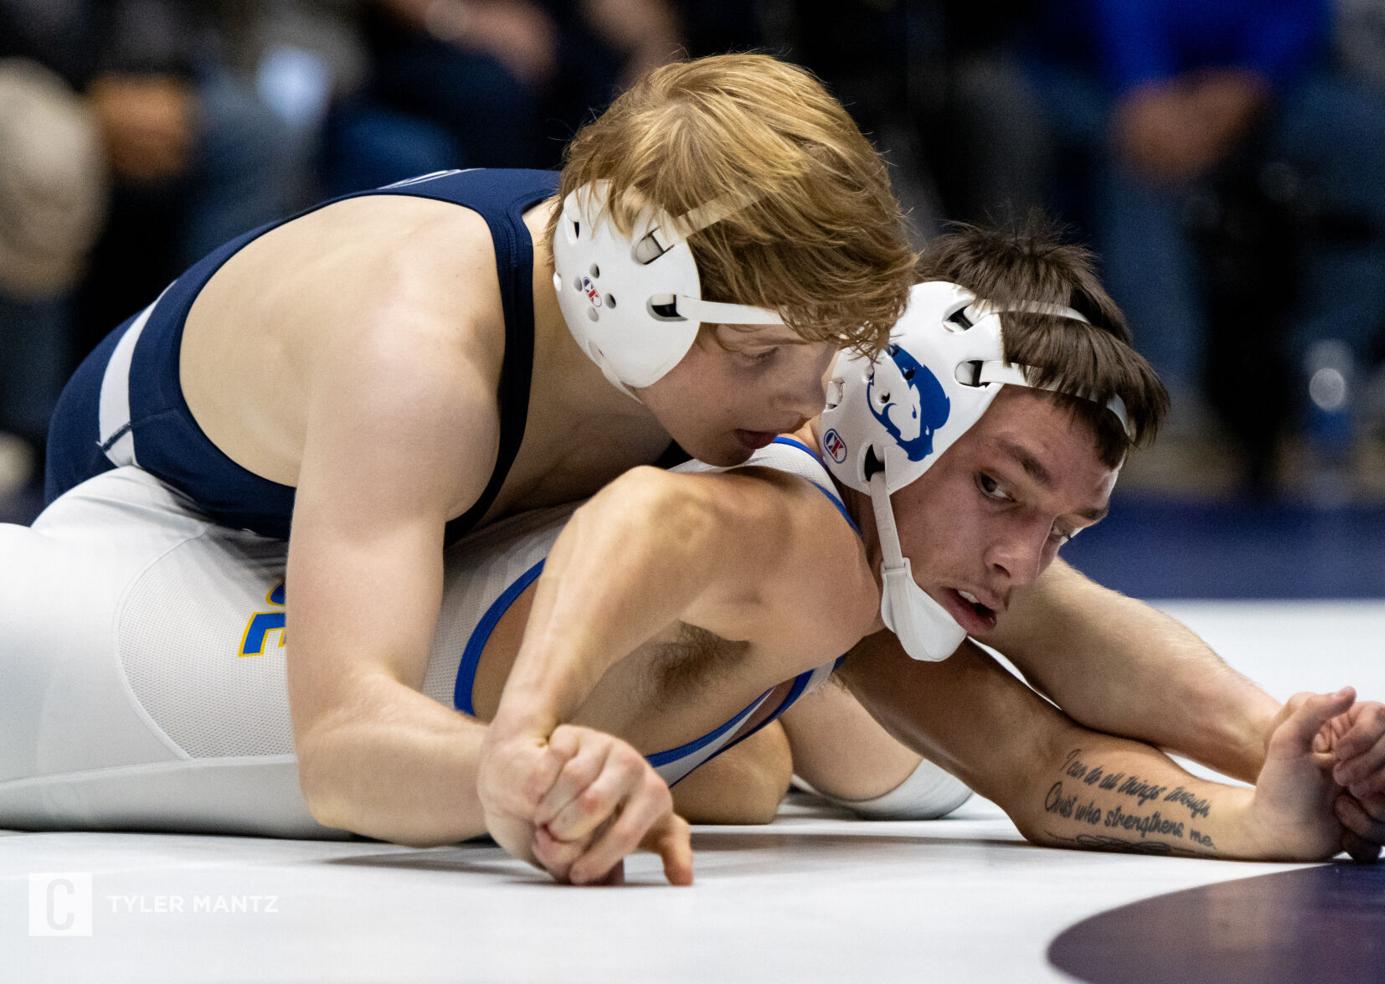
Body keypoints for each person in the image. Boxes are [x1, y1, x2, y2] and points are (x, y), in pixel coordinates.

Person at [7, 226, 1385, 883]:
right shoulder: (790, 523)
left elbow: (1040, 752)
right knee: (826, 761)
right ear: (896, 408)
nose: (1023, 557)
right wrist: (525, 745)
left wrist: (1278, 771)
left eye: (1061, 523)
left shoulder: (866, 545)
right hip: (104, 584)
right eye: (1002, 491)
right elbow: (651, 523)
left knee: (834, 762)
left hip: (181, 580)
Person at [39, 52, 915, 842]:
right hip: (171, 514)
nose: (807, 400)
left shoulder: (695, 318)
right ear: (624, 300)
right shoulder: (415, 357)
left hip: (423, 494)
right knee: (731, 755)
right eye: (761, 356)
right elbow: (341, 749)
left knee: (759, 752)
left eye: (829, 354)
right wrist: (521, 777)